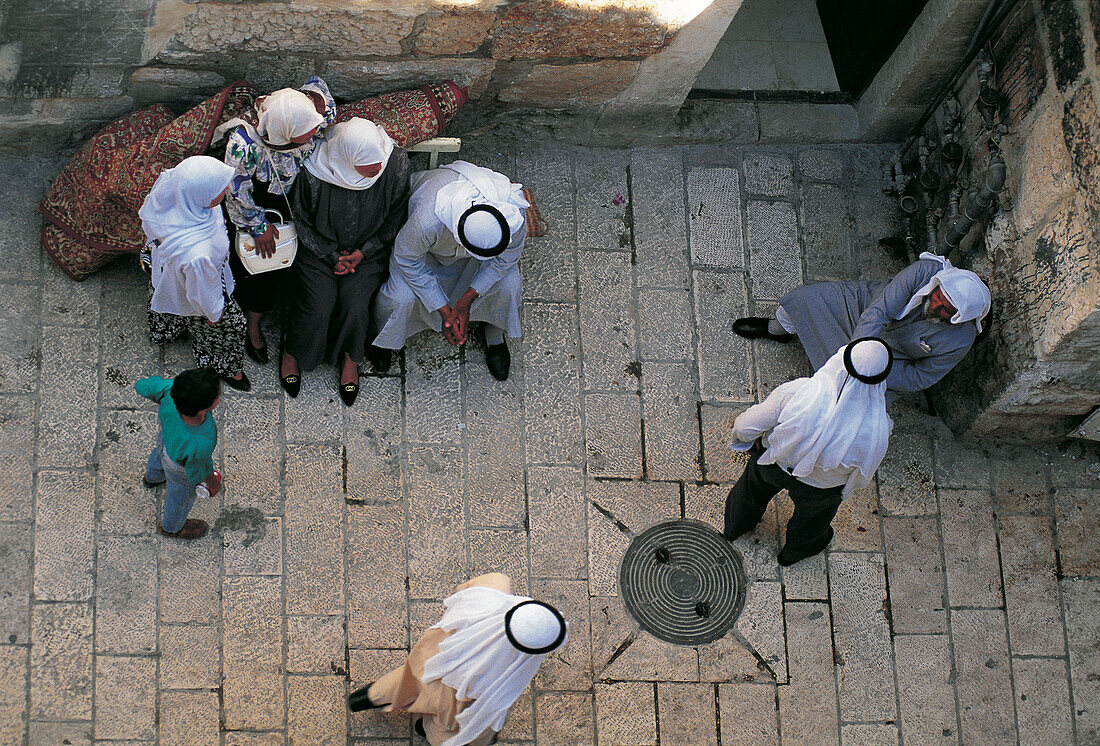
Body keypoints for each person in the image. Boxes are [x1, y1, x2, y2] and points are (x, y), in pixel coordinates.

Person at [725, 338, 894, 565]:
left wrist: (745, 442)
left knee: (750, 493)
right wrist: (844, 491)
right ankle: (793, 554)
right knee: (812, 522)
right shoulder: (880, 428)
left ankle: (735, 527)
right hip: (823, 488)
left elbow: (747, 426)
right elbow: (864, 471)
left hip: (775, 464)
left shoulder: (798, 392)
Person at [279, 118, 410, 405]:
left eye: (378, 162)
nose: (377, 169)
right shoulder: (315, 172)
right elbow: (300, 218)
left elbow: (397, 213)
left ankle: (350, 358)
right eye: (368, 164)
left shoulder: (395, 162)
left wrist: (364, 251)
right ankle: (294, 352)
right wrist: (330, 254)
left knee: (355, 304)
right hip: (318, 252)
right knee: (318, 304)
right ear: (348, 157)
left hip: (368, 253)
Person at [349, 573, 566, 746]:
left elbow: (463, 593)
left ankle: (368, 696)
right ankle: (423, 730)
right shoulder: (502, 681)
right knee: (445, 732)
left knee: (403, 681)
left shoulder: (495, 586)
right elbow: (486, 718)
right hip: (452, 700)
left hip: (430, 657)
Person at [733, 252, 991, 395]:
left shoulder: (961, 340)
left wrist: (871, 371)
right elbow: (879, 311)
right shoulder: (925, 271)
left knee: (839, 403)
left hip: (886, 364)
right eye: (936, 296)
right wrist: (854, 359)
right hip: (861, 309)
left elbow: (920, 377)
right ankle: (778, 330)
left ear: (959, 316)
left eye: (945, 309)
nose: (935, 305)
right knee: (805, 299)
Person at [371, 161, 529, 381]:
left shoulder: (514, 217)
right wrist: (445, 310)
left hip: (472, 262)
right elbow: (406, 258)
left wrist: (467, 299)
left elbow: (506, 259)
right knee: (401, 297)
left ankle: (495, 336)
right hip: (424, 255)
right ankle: (386, 340)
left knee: (510, 285)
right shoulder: (428, 221)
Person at [219, 76, 337, 365]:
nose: (315, 131)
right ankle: (253, 322)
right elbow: (236, 191)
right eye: (307, 130)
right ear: (284, 131)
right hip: (261, 206)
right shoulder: (245, 146)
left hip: (294, 196)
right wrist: (258, 227)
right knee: (263, 266)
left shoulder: (304, 115)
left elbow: (321, 96)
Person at [139, 156, 250, 391]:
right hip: (192, 281)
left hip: (163, 269)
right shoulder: (199, 254)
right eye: (219, 189)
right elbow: (202, 294)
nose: (227, 190)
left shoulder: (171, 190)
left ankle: (165, 331)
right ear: (200, 195)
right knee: (229, 328)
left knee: (165, 299)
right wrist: (214, 314)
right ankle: (225, 366)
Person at [136, 368, 224, 540]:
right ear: (203, 408)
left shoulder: (171, 389)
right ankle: (172, 527)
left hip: (166, 440)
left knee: (158, 456)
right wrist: (212, 483)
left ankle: (152, 479)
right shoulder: (200, 441)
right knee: (180, 496)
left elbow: (144, 387)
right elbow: (199, 468)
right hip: (179, 467)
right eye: (218, 395)